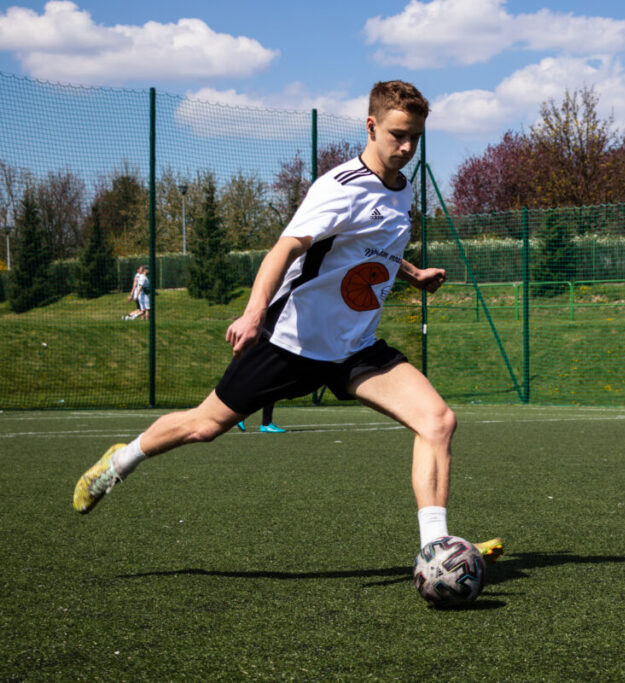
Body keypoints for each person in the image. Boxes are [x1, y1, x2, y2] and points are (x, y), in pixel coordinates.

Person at [73, 81, 503, 562]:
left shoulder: (401, 191)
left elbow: (369, 245)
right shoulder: (338, 187)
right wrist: (254, 313)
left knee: (438, 421)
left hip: (355, 348)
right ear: (371, 125)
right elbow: (288, 247)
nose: (406, 148)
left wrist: (413, 273)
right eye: (398, 135)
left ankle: (436, 550)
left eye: (415, 138)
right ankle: (119, 462)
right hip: (290, 340)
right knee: (204, 425)